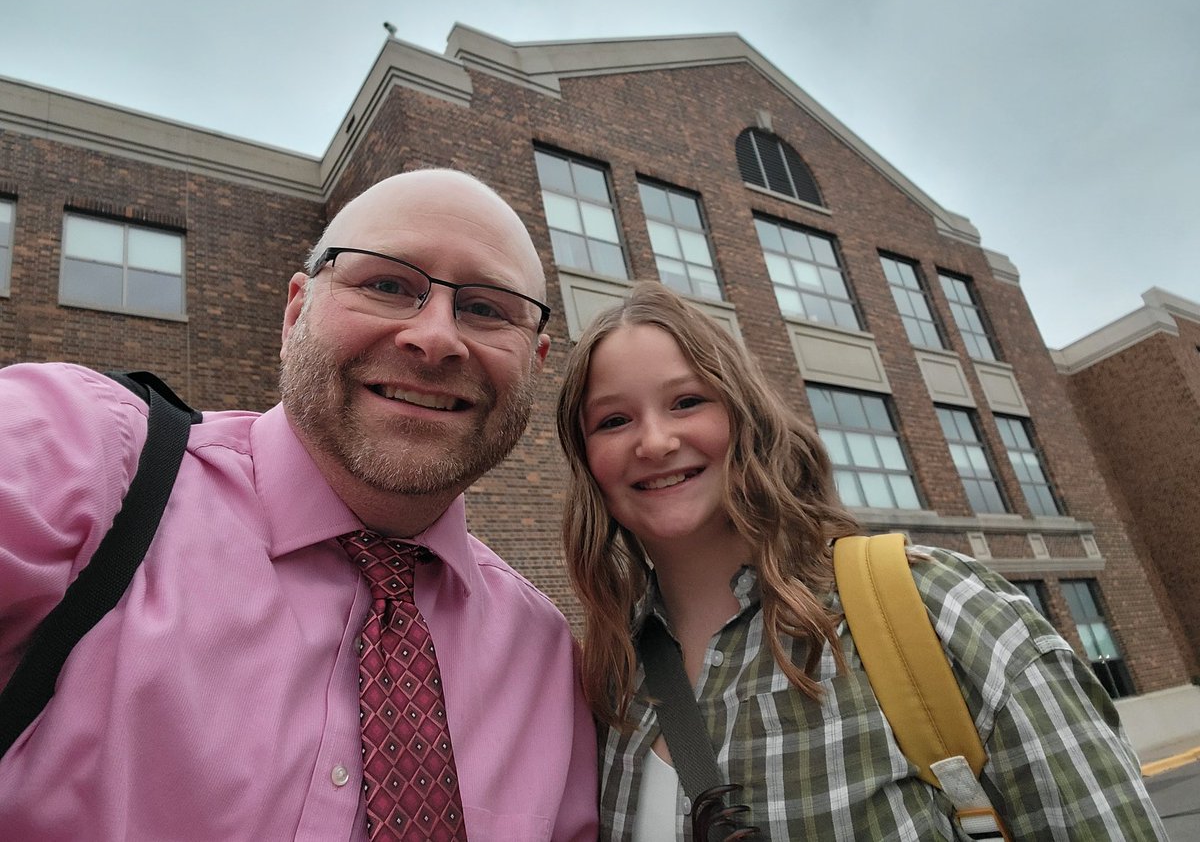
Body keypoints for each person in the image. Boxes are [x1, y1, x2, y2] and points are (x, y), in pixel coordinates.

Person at [0, 169, 598, 840]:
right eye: (387, 285)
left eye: (487, 309)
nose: (435, 338)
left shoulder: (547, 662)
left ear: (538, 361)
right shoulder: (81, 459)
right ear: (294, 313)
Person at [555, 281, 1166, 841]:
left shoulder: (941, 607)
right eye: (614, 420)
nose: (655, 441)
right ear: (587, 461)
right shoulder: (606, 677)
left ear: (746, 418)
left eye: (687, 401)